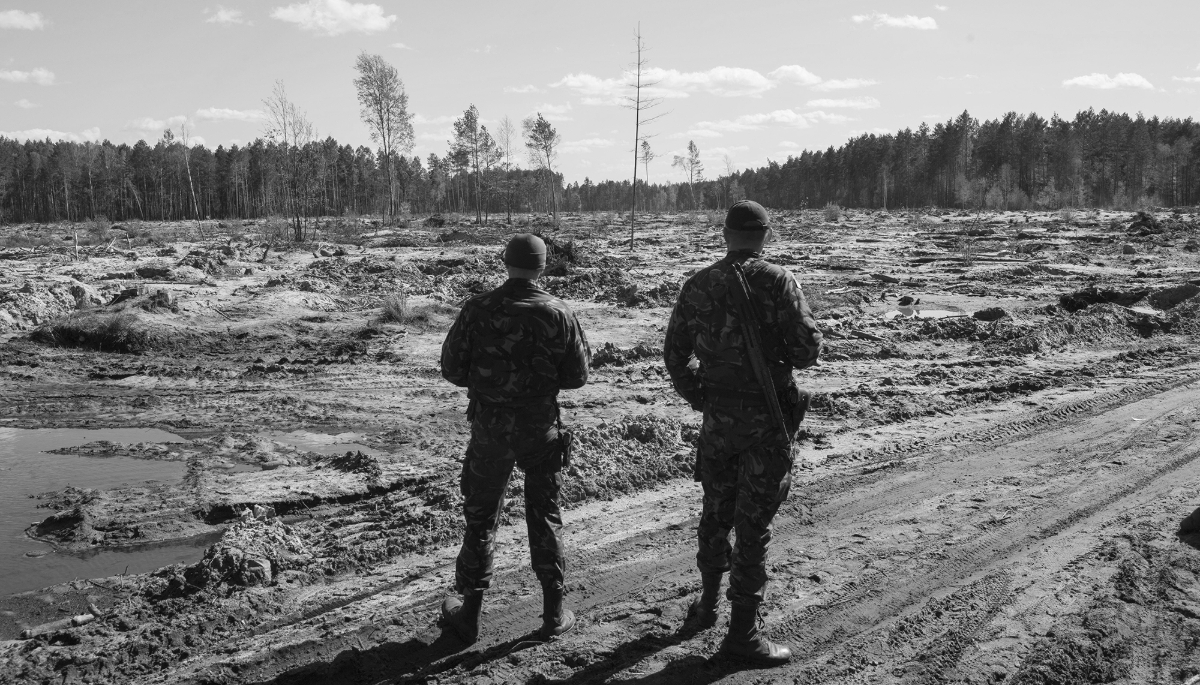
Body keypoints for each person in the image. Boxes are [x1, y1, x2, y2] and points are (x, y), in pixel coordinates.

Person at [663, 200, 822, 665]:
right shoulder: (779, 280)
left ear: (726, 234)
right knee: (753, 525)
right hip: (767, 420)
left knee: (715, 512)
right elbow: (807, 350)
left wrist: (704, 398)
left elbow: (675, 356)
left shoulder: (697, 284)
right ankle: (742, 636)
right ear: (766, 236)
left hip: (719, 422)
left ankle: (708, 605)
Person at [438, 233, 591, 645]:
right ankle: (553, 614)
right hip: (540, 429)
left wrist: (490, 383)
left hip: (490, 429)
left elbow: (451, 369)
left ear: (506, 263)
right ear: (543, 267)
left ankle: (468, 613)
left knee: (481, 518)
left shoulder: (478, 308)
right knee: (544, 515)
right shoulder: (559, 312)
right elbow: (577, 377)